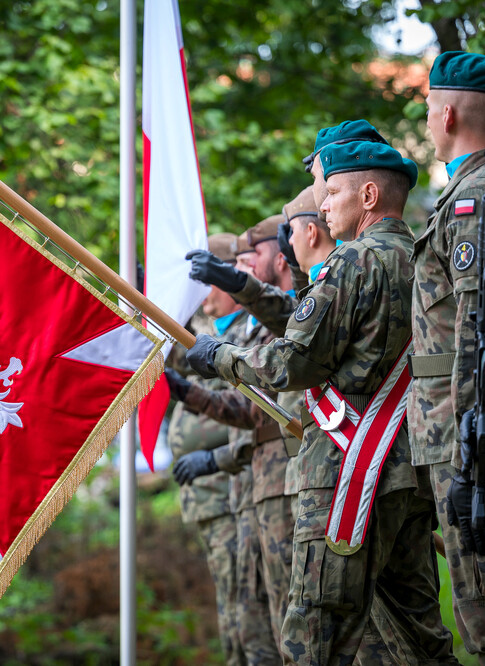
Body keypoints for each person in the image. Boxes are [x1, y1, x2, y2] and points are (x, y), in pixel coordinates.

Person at [186, 141, 456, 664]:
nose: (323, 204)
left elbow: (297, 360)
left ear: (369, 196)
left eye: (331, 192)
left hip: (348, 471)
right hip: (409, 469)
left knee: (314, 635)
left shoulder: (353, 260)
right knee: (418, 638)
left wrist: (222, 357)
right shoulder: (423, 254)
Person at [412, 51, 485, 664]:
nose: (430, 123)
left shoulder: (478, 196)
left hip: (469, 437)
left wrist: (466, 458)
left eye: (430, 111)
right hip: (467, 432)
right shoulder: (481, 188)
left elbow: (472, 334)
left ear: (450, 114)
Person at [172, 215, 295, 659]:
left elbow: (262, 413)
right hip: (253, 490)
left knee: (281, 622)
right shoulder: (249, 327)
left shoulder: (274, 323)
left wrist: (216, 458)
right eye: (237, 266)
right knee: (246, 620)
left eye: (247, 262)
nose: (243, 272)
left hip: (274, 485)